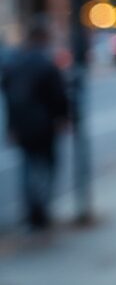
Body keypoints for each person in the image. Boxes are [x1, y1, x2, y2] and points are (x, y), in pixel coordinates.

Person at [1, 20, 70, 230]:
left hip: (23, 125)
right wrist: (62, 117)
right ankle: (40, 210)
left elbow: (11, 97)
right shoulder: (46, 64)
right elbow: (58, 96)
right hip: (44, 125)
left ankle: (32, 210)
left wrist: (12, 126)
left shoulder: (16, 63)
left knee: (28, 167)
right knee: (46, 167)